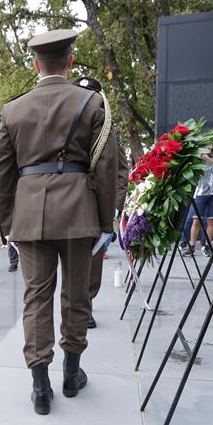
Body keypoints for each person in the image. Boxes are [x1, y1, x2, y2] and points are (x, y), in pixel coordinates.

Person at [0, 29, 119, 415]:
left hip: (30, 216)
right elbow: (107, 166)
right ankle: (71, 374)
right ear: (70, 61)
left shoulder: (13, 110)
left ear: (35, 65)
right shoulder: (93, 103)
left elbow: (2, 172)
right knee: (76, 295)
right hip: (80, 214)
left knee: (36, 298)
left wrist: (9, 224)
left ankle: (41, 387)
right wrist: (105, 222)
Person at [72, 75, 129, 330]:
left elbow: (120, 170)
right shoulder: (66, 124)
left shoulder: (110, 129)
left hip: (96, 202)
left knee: (93, 259)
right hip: (68, 202)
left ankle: (87, 304)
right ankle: (73, 304)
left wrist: (115, 205)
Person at [184, 145, 213, 257]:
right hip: (201, 193)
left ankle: (207, 247)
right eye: (208, 148)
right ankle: (191, 247)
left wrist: (208, 158)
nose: (211, 150)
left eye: (212, 148)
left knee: (211, 221)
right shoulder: (199, 159)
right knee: (196, 220)